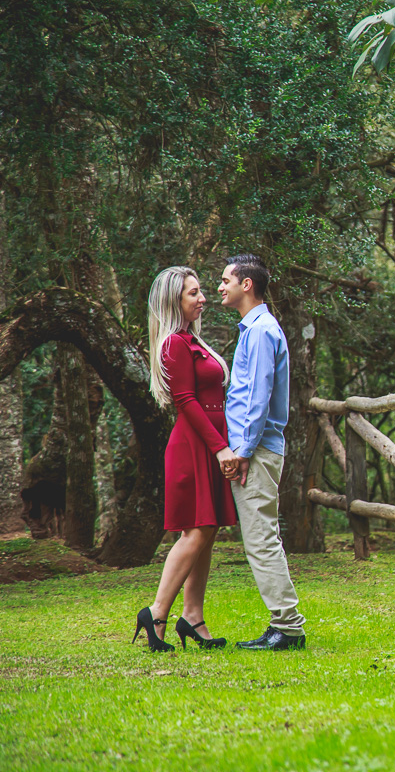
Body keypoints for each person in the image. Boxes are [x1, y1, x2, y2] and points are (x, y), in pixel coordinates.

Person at [134, 267, 238, 652]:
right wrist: (220, 447)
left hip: (207, 442)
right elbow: (186, 401)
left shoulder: (191, 340)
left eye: (202, 291)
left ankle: (193, 617)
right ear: (174, 301)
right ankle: (157, 613)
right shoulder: (174, 344)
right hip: (194, 445)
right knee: (196, 531)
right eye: (193, 293)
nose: (203, 298)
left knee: (207, 530)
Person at [218, 254, 307, 650]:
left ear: (246, 284)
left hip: (256, 450)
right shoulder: (256, 328)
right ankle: (285, 625)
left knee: (262, 539)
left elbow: (257, 395)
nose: (219, 287)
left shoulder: (259, 331)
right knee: (262, 537)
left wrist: (242, 450)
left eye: (225, 280)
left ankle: (288, 628)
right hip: (257, 447)